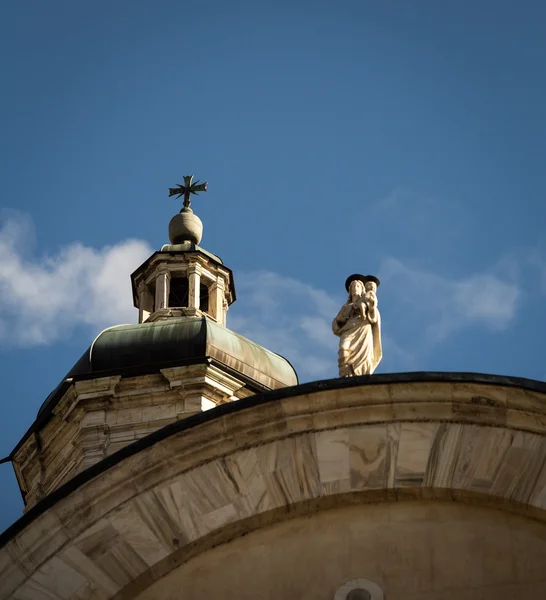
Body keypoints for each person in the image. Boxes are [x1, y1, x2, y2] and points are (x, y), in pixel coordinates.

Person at [332, 274, 382, 377]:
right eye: (353, 287)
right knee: (343, 348)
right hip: (347, 331)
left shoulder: (366, 302)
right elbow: (336, 324)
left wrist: (369, 306)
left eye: (357, 286)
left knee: (363, 355)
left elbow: (374, 314)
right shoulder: (346, 306)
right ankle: (344, 374)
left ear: (362, 289)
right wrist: (341, 318)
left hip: (362, 329)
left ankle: (360, 374)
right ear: (350, 291)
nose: (355, 288)